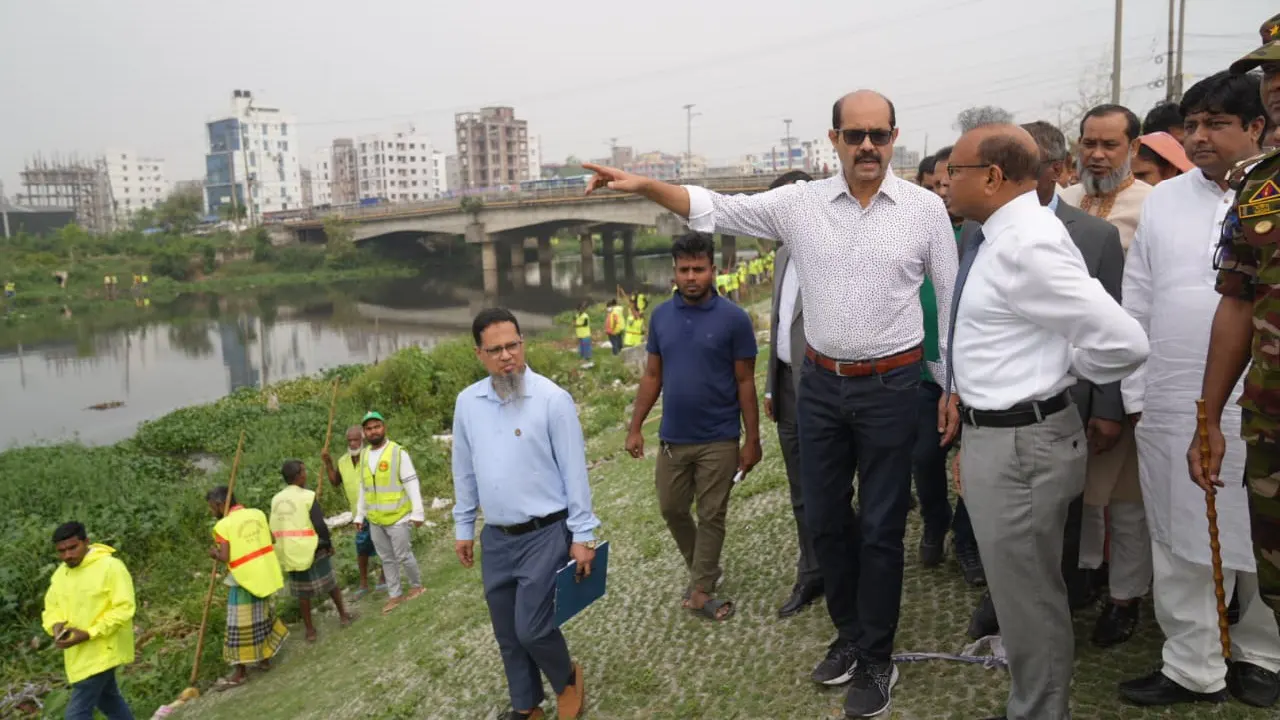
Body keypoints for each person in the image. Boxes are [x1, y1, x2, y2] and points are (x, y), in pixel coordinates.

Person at [583, 89, 960, 718]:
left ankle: (876, 655)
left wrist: (949, 386)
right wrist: (644, 185)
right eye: (854, 135)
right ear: (834, 139)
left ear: (894, 137)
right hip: (820, 386)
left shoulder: (925, 211)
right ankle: (847, 634)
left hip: (894, 387)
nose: (867, 146)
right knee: (826, 521)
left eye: (879, 135)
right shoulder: (799, 204)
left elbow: (949, 305)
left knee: (882, 526)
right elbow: (713, 208)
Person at [947, 123, 1148, 720]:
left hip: (1021, 445)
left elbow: (1124, 341)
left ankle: (1038, 710)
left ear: (992, 176)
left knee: (1029, 602)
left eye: (955, 171)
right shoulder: (999, 234)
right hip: (1002, 438)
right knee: (1024, 596)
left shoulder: (1024, 244)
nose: (945, 181)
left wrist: (1070, 363)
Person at [1119, 69, 1280, 709]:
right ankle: (1192, 663)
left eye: (1215, 123)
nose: (1199, 136)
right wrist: (1135, 392)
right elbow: (1137, 301)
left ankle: (1262, 656)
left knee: (1263, 532)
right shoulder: (1163, 200)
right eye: (1192, 125)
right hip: (1172, 399)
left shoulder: (1268, 194)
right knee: (1175, 534)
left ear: (1255, 128)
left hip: (1261, 404)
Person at [453, 308, 599, 720]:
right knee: (508, 636)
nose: (506, 356)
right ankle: (526, 706)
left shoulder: (552, 400)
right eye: (495, 349)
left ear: (523, 344)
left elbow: (575, 474)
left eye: (512, 345)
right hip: (497, 538)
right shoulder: (467, 404)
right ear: (479, 354)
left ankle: (567, 677)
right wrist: (463, 527)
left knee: (532, 628)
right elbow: (463, 471)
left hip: (545, 533)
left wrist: (583, 535)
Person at [1197, 10, 1280, 636]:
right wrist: (1209, 419)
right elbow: (1237, 304)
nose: (1275, 85)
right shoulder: (1261, 190)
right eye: (1269, 74)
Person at [626, 231, 759, 622]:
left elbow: (746, 382)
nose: (691, 277)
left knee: (712, 512)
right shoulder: (661, 317)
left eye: (698, 269)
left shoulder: (734, 319)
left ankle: (701, 588)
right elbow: (653, 376)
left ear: (713, 270)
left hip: (719, 437)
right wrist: (635, 427)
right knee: (671, 508)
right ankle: (705, 566)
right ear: (674, 272)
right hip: (672, 437)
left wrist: (752, 440)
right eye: (684, 269)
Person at [1060, 104, 1155, 642]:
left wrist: (1117, 398)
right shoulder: (1064, 203)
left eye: (1110, 144)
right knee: (1079, 498)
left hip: (1126, 374)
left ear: (1133, 149)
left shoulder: (1154, 207)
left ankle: (1126, 598)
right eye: (1089, 143)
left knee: (1124, 499)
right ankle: (1086, 581)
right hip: (1066, 378)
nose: (1097, 154)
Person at [763, 170, 824, 618]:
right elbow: (778, 323)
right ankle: (812, 570)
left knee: (835, 484)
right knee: (800, 487)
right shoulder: (782, 254)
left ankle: (844, 567)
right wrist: (770, 384)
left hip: (826, 385)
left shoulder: (836, 250)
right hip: (786, 384)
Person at [42, 522, 136, 720]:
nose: (67, 555)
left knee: (76, 714)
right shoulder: (61, 574)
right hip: (78, 654)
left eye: (72, 548)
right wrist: (55, 625)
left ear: (86, 542)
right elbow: (51, 607)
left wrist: (90, 633)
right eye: (62, 551)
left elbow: (124, 608)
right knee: (110, 701)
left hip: (103, 649)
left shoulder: (110, 567)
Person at [206, 485, 288, 689]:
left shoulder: (222, 526)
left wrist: (214, 554)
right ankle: (264, 659)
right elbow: (271, 539)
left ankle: (240, 672)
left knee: (238, 624)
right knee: (261, 616)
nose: (211, 512)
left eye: (211, 508)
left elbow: (224, 556)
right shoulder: (257, 514)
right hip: (263, 574)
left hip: (243, 580)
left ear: (219, 504)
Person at [270, 459, 356, 642]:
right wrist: (328, 544)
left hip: (289, 551)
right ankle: (343, 615)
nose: (306, 474)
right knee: (330, 583)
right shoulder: (307, 495)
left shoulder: (276, 499)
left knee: (302, 593)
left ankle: (310, 630)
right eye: (304, 471)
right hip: (311, 547)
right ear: (299, 476)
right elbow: (319, 523)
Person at [352, 411, 427, 614]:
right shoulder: (365, 455)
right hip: (375, 519)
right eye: (369, 428)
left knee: (403, 555)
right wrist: (360, 515)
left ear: (384, 427)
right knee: (386, 558)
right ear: (364, 433)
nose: (373, 431)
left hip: (398, 516)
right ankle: (395, 595)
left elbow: (411, 482)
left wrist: (417, 512)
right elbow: (363, 488)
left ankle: (416, 586)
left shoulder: (397, 452)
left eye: (377, 426)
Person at [321, 425, 385, 598]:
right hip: (358, 514)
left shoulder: (371, 455)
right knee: (361, 548)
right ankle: (364, 583)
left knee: (383, 545)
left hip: (377, 508)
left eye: (356, 440)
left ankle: (383, 578)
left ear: (362, 439)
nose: (353, 443)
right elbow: (335, 481)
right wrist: (328, 463)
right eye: (350, 440)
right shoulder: (343, 461)